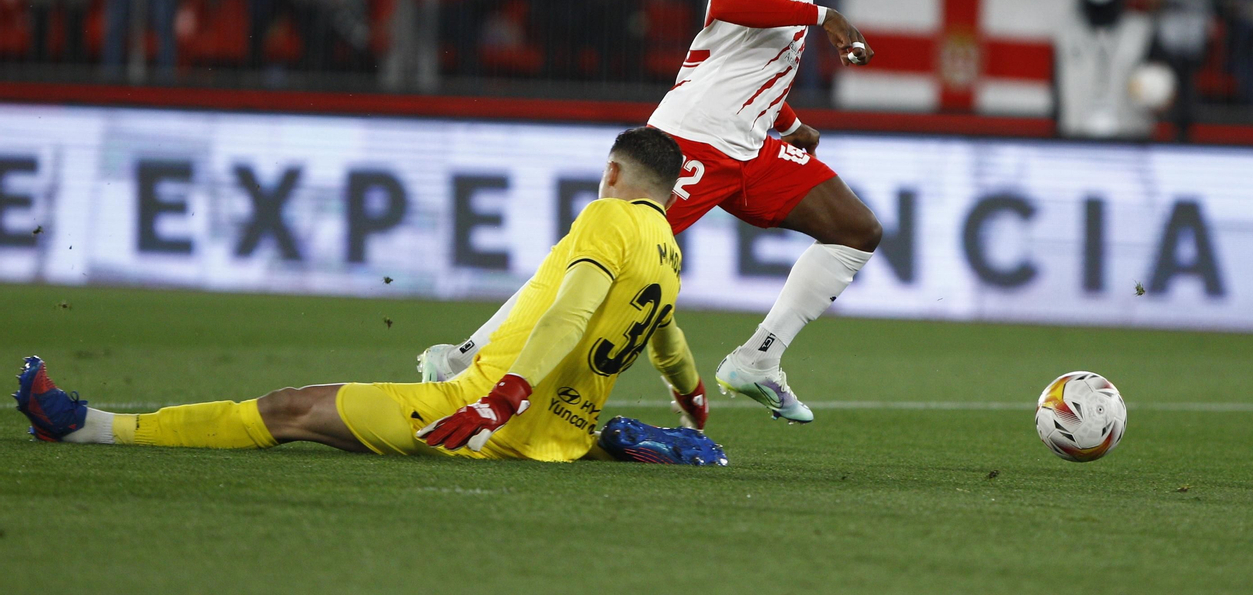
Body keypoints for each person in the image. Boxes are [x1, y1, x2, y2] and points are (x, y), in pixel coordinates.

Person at [16, 128, 727, 467]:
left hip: (479, 416)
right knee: (347, 398)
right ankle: (623, 440)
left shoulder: (606, 217)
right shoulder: (670, 255)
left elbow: (572, 311)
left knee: (287, 409)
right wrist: (691, 398)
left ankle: (89, 427)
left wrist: (498, 394)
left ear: (613, 172)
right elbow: (668, 341)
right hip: (559, 434)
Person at [648, 0, 883, 423]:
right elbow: (730, 0)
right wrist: (825, 16)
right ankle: (476, 358)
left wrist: (791, 123)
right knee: (607, 258)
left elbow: (746, 59)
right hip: (696, 139)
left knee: (854, 229)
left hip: (748, 145)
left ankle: (758, 359)